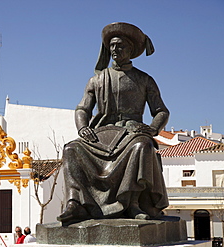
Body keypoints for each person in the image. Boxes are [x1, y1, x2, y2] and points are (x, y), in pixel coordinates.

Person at [57, 22, 169, 225]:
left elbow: (161, 111)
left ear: (131, 50)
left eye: (121, 46)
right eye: (112, 46)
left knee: (142, 146)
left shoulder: (144, 80)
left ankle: (132, 203)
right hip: (102, 134)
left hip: (132, 133)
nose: (115, 50)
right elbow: (82, 109)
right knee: (71, 149)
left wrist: (153, 129)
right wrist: (83, 127)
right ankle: (75, 203)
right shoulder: (97, 80)